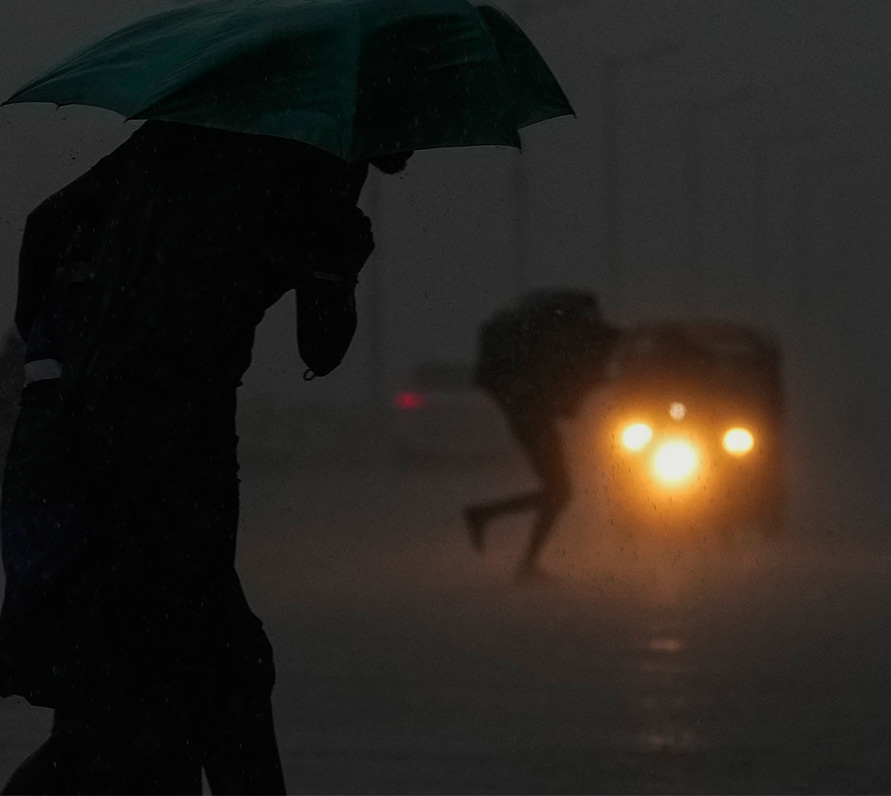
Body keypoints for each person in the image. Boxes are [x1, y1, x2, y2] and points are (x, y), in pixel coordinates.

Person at [0, 120, 410, 794]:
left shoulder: (182, 137)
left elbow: (44, 224)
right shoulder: (319, 181)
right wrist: (335, 269)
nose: (414, 146)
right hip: (158, 441)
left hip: (95, 436)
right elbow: (322, 348)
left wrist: (58, 363)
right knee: (207, 681)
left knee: (128, 695)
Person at [463, 291, 620, 582]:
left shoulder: (541, 347)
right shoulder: (564, 344)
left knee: (558, 492)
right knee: (560, 492)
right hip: (534, 421)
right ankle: (502, 536)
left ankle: (495, 525)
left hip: (529, 420)